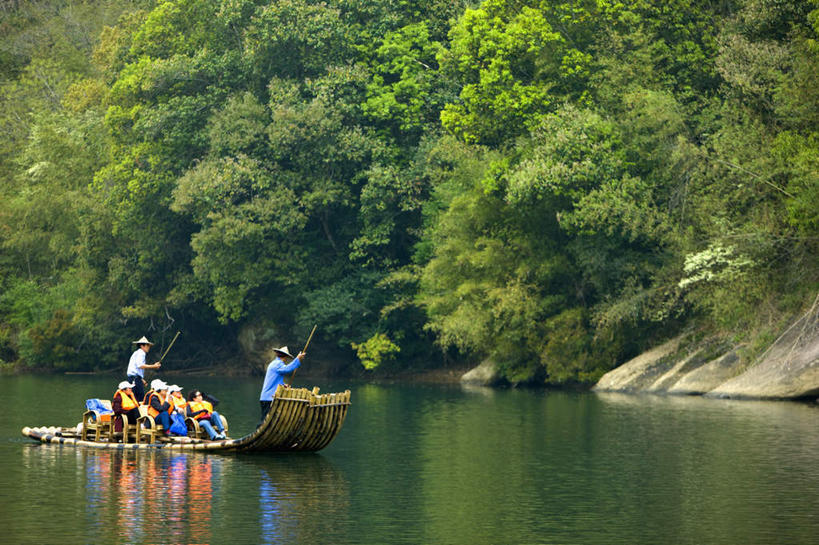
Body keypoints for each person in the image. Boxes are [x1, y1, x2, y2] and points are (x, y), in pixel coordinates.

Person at [259, 346, 305, 424]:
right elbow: (287, 369)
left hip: (267, 398)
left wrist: (283, 385)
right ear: (286, 357)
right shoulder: (277, 364)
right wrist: (297, 359)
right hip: (268, 398)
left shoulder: (275, 363)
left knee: (269, 421)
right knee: (265, 421)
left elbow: (275, 381)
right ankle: (260, 435)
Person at [126, 336, 161, 402]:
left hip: (135, 379)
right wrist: (154, 366)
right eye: (147, 345)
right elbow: (140, 365)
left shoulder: (137, 353)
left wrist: (141, 380)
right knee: (139, 398)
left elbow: (135, 369)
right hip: (135, 379)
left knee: (135, 397)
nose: (148, 347)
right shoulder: (141, 353)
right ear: (142, 346)